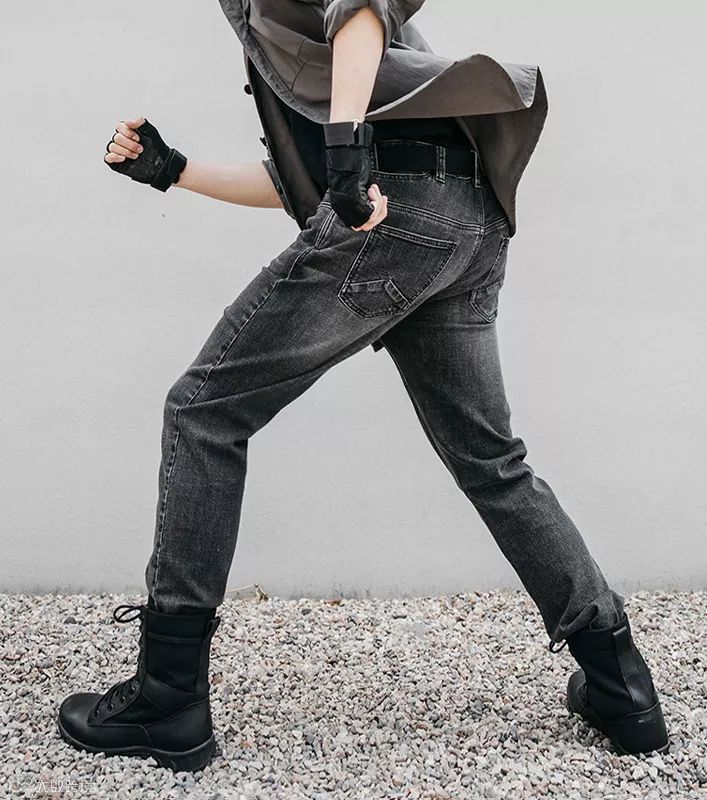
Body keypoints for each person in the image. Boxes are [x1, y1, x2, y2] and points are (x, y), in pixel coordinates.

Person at [57, 1, 669, 773]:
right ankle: (622, 687)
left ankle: (166, 698)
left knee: (202, 412)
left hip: (398, 208)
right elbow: (308, 180)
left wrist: (348, 154)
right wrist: (173, 171)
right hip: (464, 215)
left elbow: (361, 20)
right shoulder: (324, 62)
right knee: (490, 461)